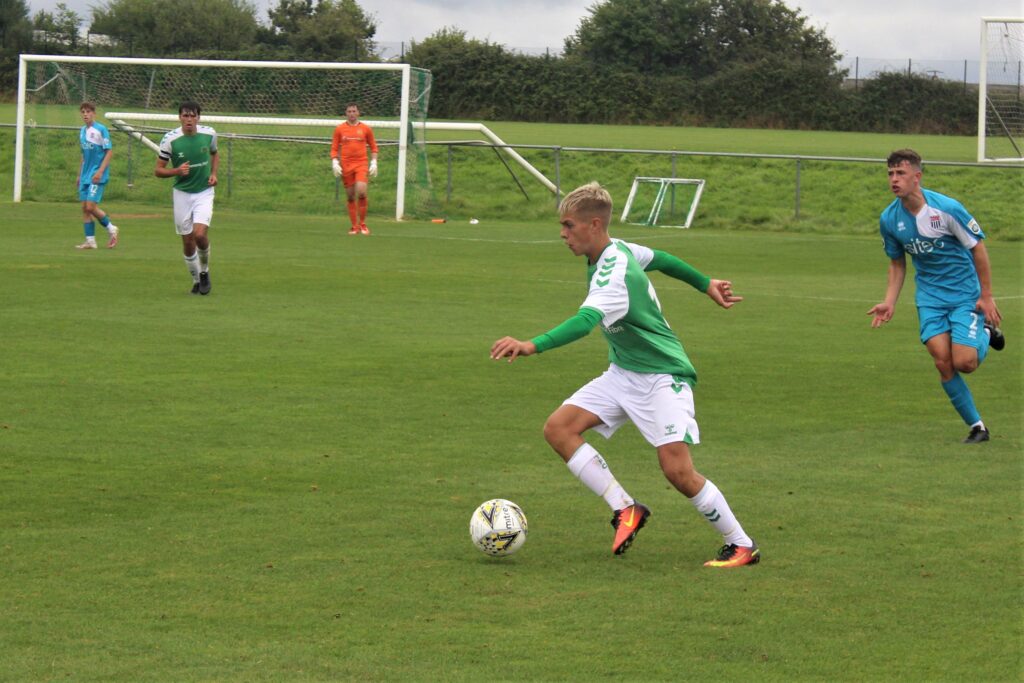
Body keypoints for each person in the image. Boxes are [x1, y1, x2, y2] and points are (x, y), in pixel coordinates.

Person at [490, 181, 760, 568]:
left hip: (662, 376)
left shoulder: (612, 274)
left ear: (594, 225)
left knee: (678, 470)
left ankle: (741, 544)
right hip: (624, 373)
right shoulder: (618, 249)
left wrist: (532, 344)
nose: (563, 234)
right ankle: (626, 509)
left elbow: (585, 323)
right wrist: (705, 284)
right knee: (559, 428)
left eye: (568, 226)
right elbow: (662, 258)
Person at [868, 149, 1005, 444]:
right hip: (930, 299)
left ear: (917, 177)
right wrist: (889, 301)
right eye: (890, 173)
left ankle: (985, 330)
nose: (894, 179)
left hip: (965, 296)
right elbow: (897, 263)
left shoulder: (947, 209)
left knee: (965, 362)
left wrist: (987, 296)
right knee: (942, 361)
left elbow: (977, 248)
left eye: (900, 173)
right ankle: (978, 427)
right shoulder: (889, 219)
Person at [155, 102, 218, 295]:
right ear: (179, 117)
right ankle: (196, 279)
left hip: (204, 192)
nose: (189, 119)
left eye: (192, 116)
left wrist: (214, 173)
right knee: (188, 242)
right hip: (182, 194)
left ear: (198, 117)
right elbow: (158, 170)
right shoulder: (170, 140)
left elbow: (215, 154)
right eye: (185, 116)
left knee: (199, 235)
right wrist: (176, 171)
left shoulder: (209, 134)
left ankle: (205, 271)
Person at [75, 102, 119, 250]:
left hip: (97, 174)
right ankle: (90, 241)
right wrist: (79, 175)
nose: (85, 114)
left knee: (91, 206)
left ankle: (111, 228)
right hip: (85, 175)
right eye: (83, 112)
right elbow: (83, 155)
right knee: (84, 208)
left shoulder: (101, 129)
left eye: (88, 111)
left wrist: (100, 171)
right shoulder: (82, 131)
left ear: (94, 113)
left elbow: (109, 151)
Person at [330, 103, 378, 235]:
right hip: (346, 165)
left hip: (361, 164)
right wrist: (335, 162)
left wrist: (374, 162)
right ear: (346, 113)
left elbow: (373, 147)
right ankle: (354, 226)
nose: (352, 113)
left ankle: (363, 224)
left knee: (362, 192)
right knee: (351, 196)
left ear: (358, 113)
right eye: (349, 111)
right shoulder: (339, 129)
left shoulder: (366, 129)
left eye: (354, 111)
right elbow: (334, 148)